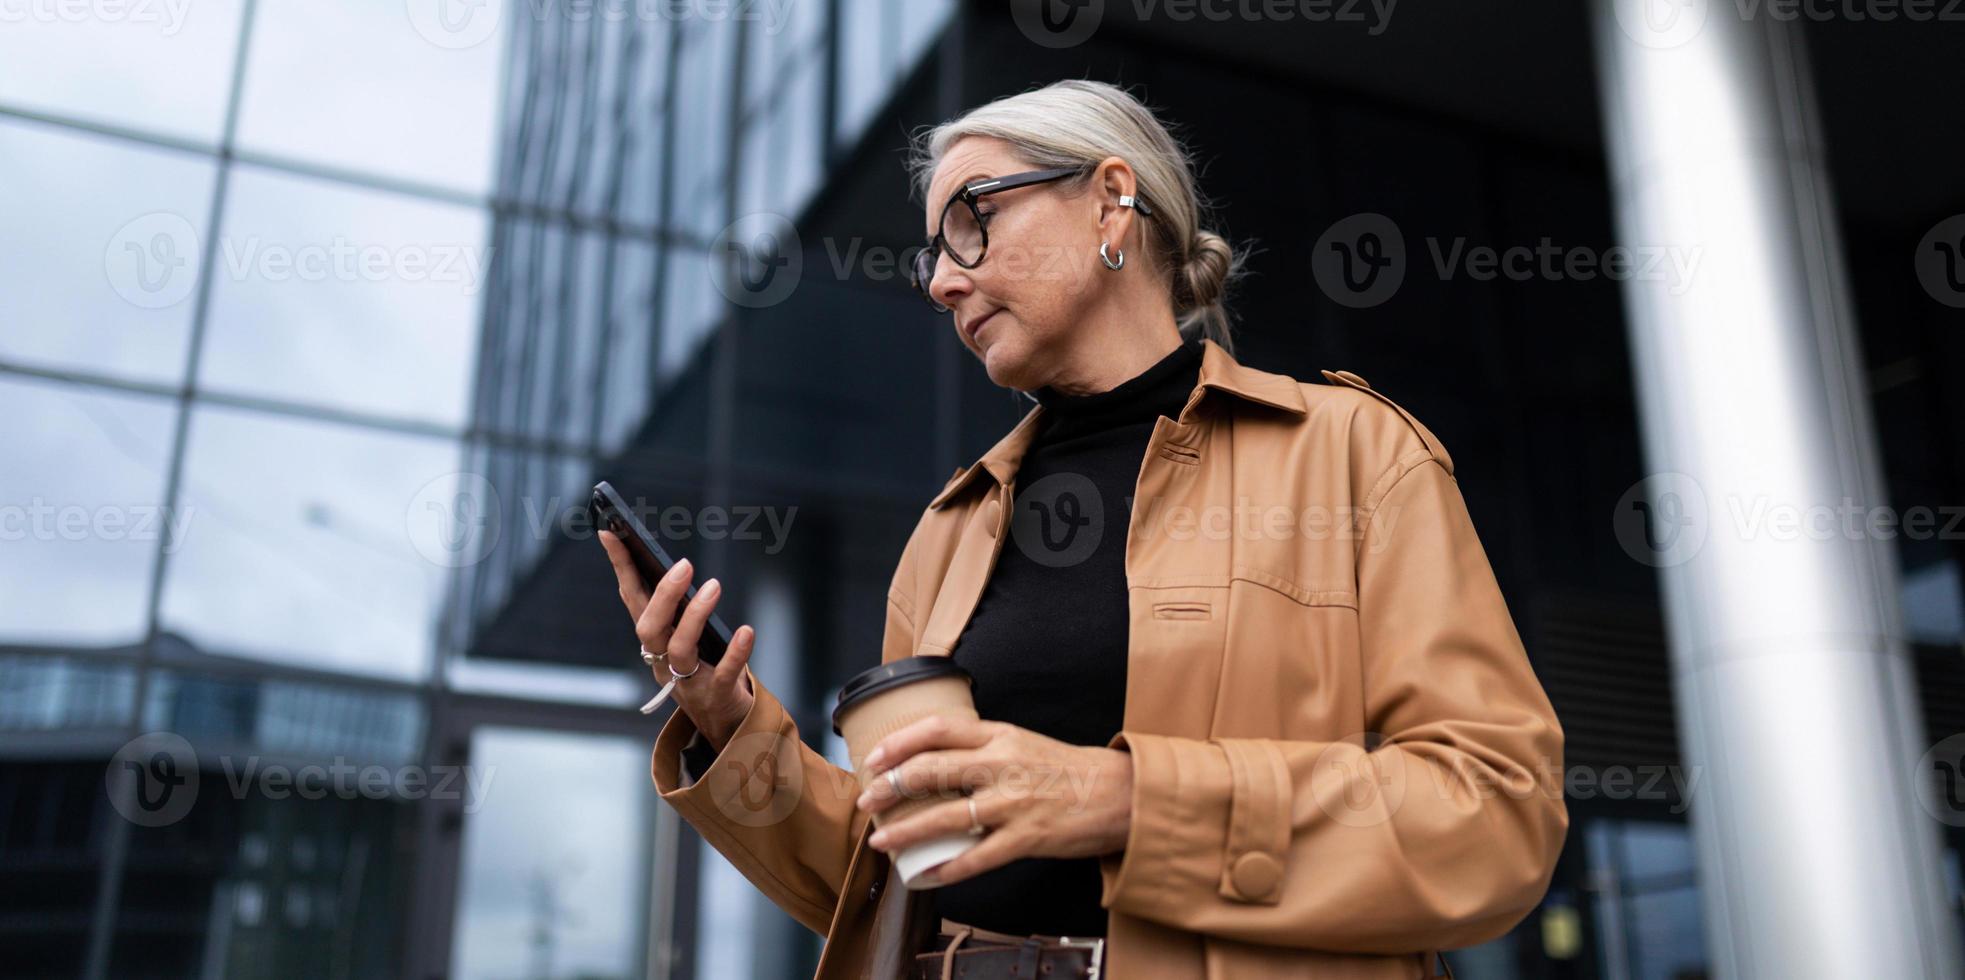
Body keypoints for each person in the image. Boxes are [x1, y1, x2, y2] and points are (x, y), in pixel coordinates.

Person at [598, 78, 1567, 980]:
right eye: (933, 250)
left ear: (1111, 201)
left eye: (972, 219)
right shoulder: (949, 529)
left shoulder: (1354, 454)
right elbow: (887, 870)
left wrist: (1127, 800)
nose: (940, 280)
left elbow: (1496, 809)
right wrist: (730, 729)